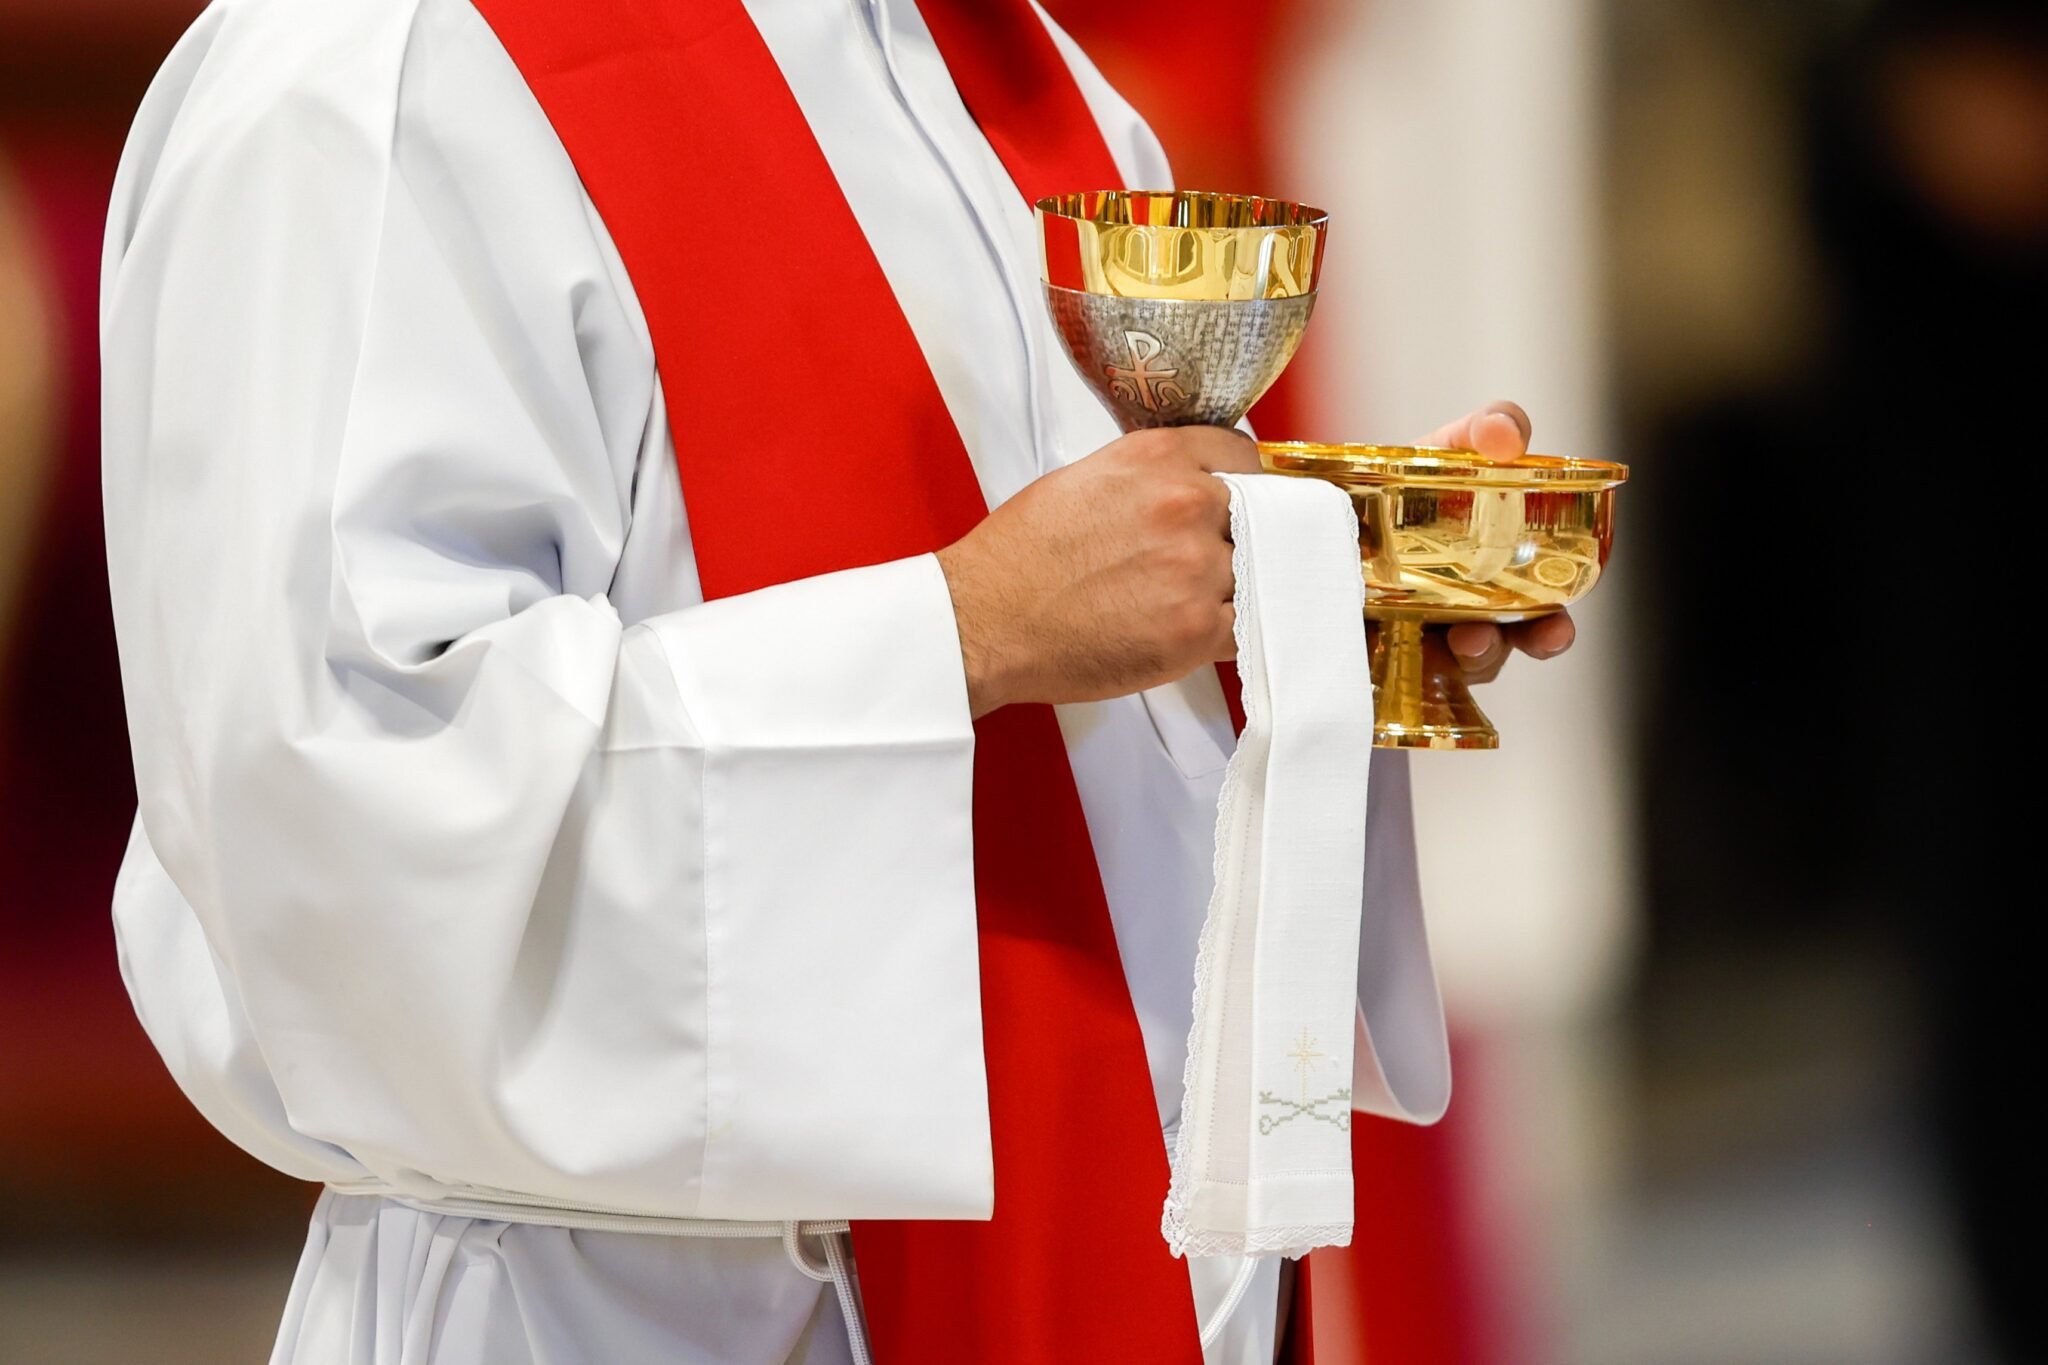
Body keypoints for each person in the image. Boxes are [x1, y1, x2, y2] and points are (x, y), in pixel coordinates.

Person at [99, 0, 1574, 1360]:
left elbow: (1111, 660)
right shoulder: (374, 75)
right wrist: (965, 632)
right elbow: (335, 834)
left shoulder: (1003, 62)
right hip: (630, 1312)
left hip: (1090, 1241)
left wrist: (1325, 587)